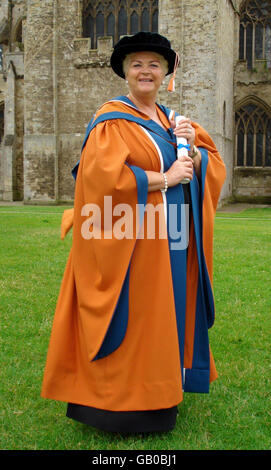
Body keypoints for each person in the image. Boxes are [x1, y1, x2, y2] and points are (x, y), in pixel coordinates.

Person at [41, 32, 226, 433]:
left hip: (172, 240)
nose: (146, 71)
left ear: (165, 74)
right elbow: (98, 179)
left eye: (154, 64)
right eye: (137, 64)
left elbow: (210, 165)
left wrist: (193, 152)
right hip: (130, 241)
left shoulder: (174, 122)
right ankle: (115, 408)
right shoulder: (112, 120)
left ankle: (160, 399)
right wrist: (163, 178)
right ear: (126, 72)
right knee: (135, 315)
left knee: (165, 316)